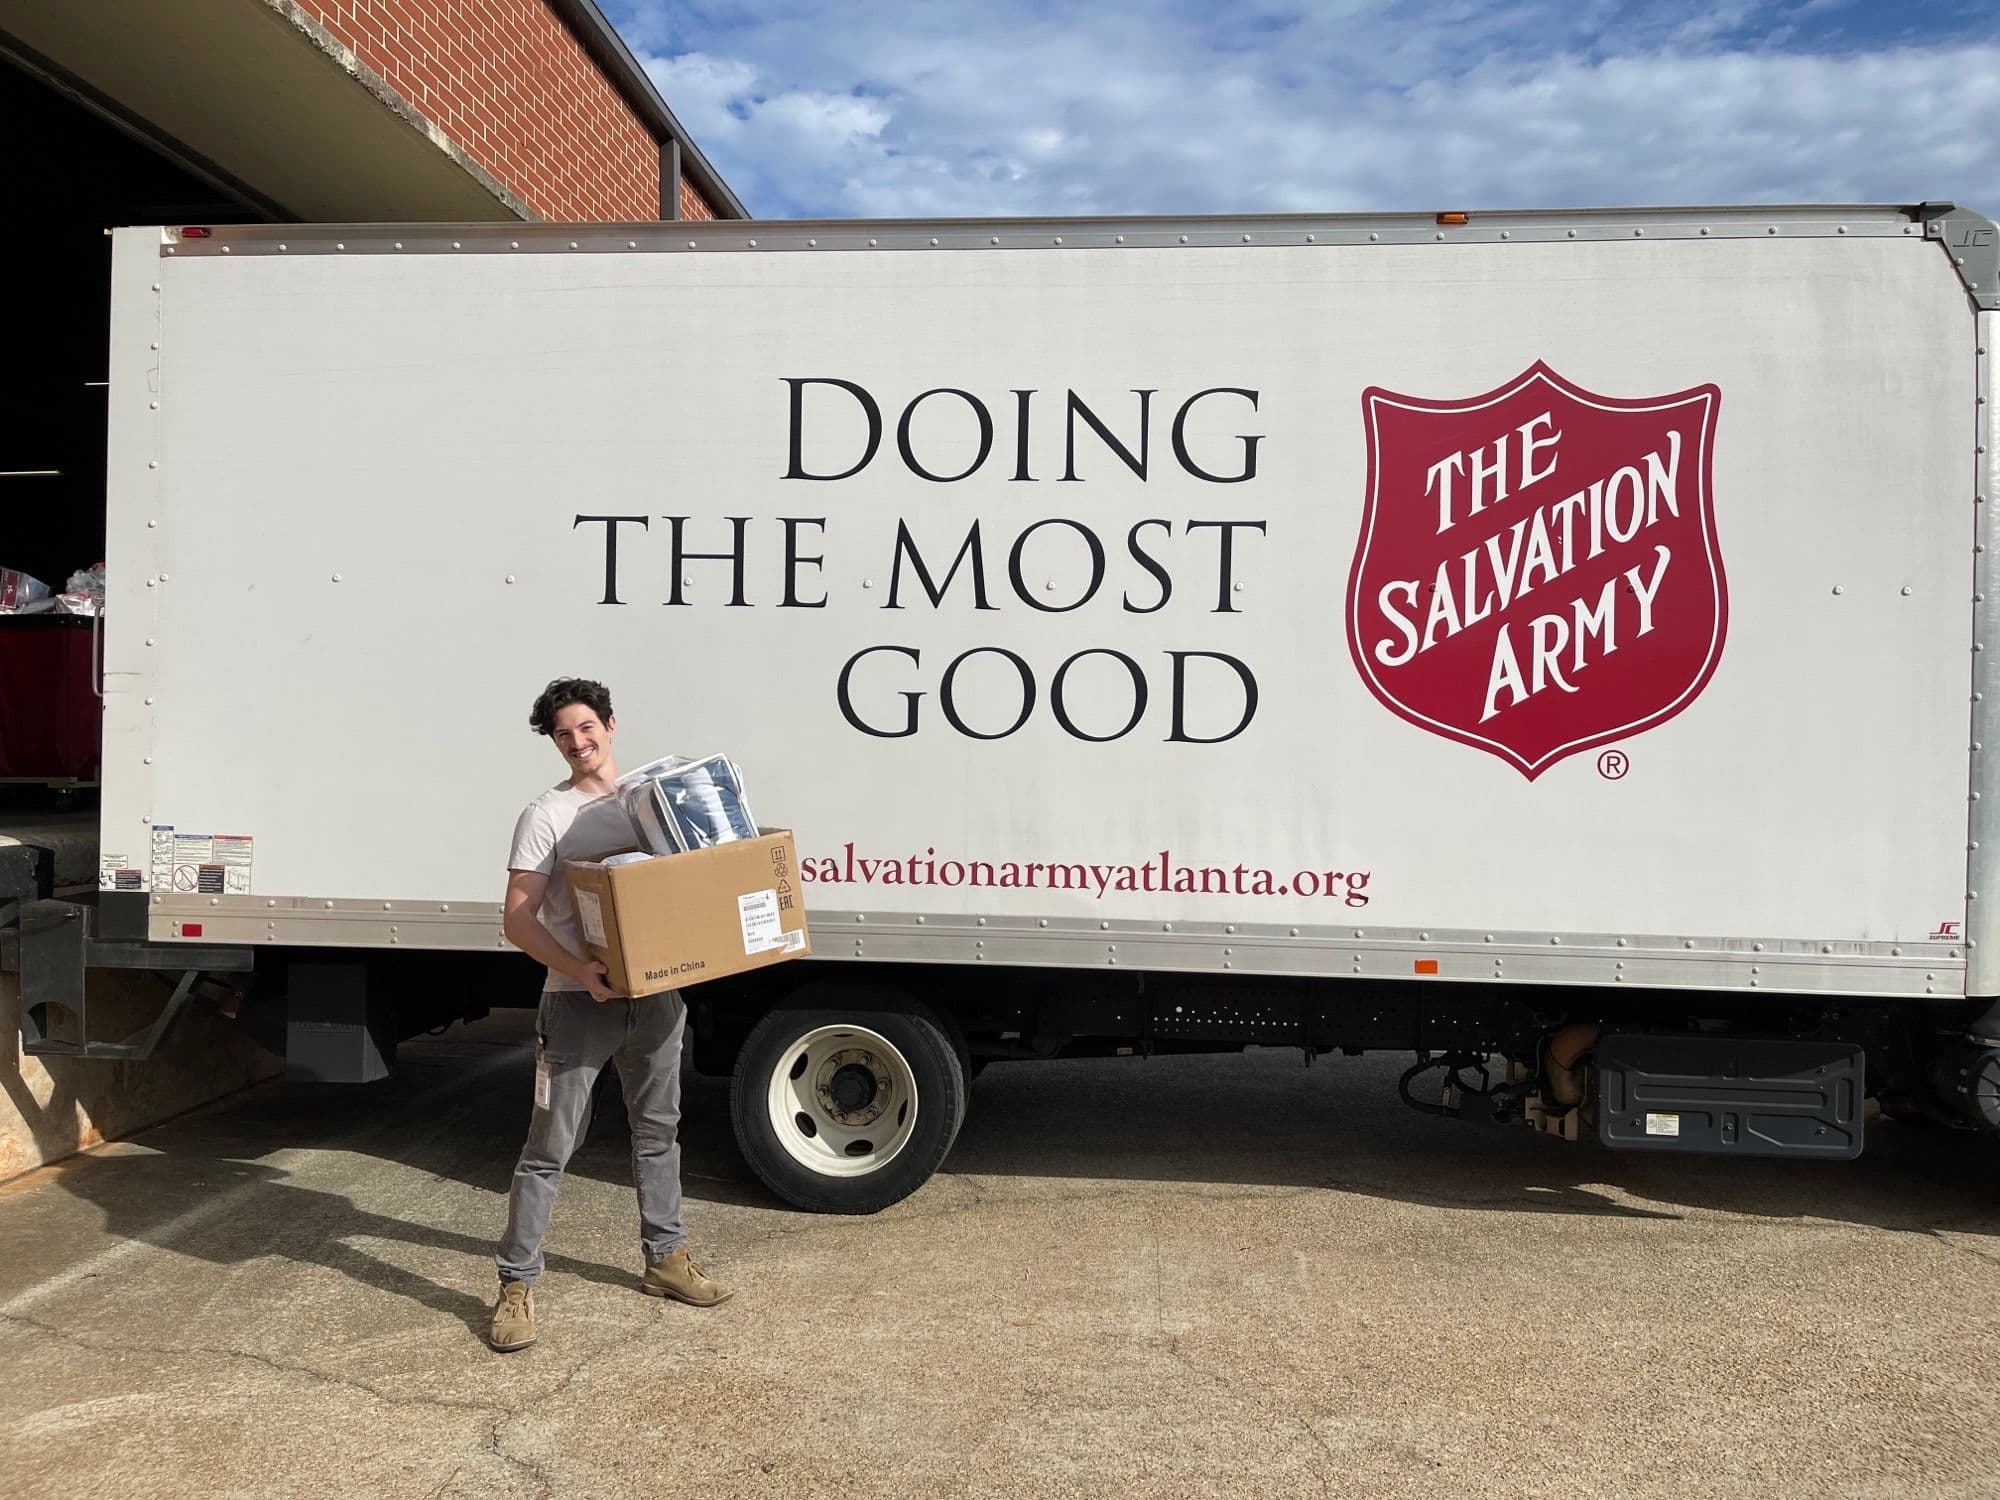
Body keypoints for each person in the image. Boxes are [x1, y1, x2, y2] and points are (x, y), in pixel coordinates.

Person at [489, 677, 732, 1353]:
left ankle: (666, 1259)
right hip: (576, 1004)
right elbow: (516, 918)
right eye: (563, 734)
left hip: (656, 1000)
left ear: (611, 725)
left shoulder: (651, 807)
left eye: (586, 728)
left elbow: (696, 888)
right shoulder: (547, 815)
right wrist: (579, 971)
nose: (577, 742)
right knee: (549, 1148)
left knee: (658, 1132)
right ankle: (515, 1284)